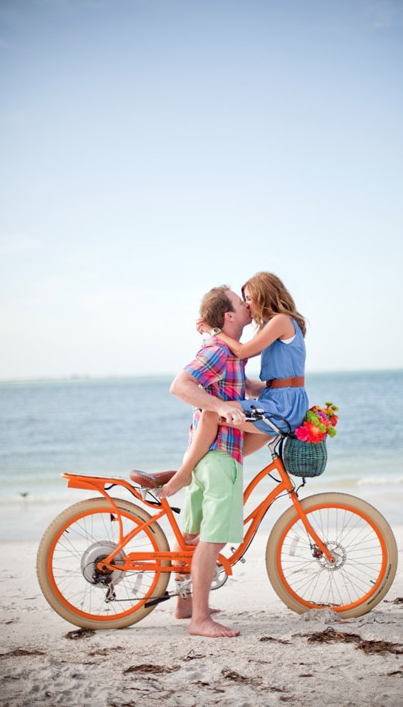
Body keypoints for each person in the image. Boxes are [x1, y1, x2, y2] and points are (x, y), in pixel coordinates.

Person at [167, 284, 266, 638]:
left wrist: (254, 390)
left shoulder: (230, 353)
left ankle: (184, 603)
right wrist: (221, 407)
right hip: (218, 455)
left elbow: (228, 386)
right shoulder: (218, 352)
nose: (248, 305)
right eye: (242, 302)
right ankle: (200, 620)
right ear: (228, 316)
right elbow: (180, 385)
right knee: (213, 538)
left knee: (193, 534)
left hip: (206, 453)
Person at [160, 271, 308, 498]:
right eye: (244, 300)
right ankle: (211, 480)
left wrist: (214, 331)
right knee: (232, 453)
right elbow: (269, 381)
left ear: (264, 295)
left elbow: (241, 351)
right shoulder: (277, 325)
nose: (247, 305)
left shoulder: (280, 321)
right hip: (282, 402)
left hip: (283, 406)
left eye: (249, 298)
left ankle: (185, 472)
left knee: (211, 413)